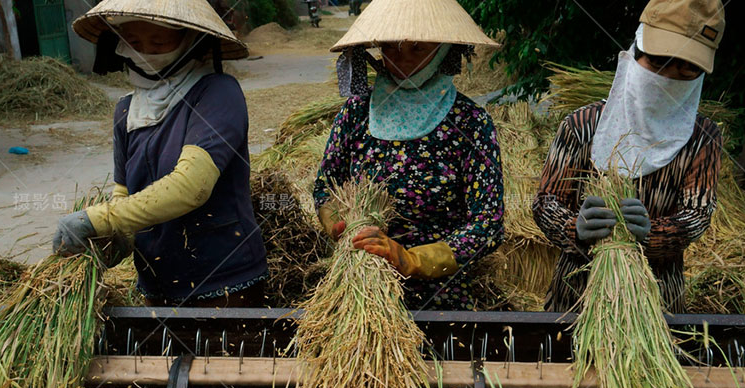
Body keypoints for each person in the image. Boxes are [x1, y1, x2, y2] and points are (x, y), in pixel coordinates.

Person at [54, 0, 267, 308]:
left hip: (224, 282)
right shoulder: (126, 110)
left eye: (158, 42)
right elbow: (124, 196)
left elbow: (191, 187)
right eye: (134, 42)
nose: (144, 53)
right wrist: (108, 243)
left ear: (190, 40)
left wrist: (98, 219)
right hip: (157, 285)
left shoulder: (218, 93)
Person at [533, 0, 725, 313]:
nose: (669, 77)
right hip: (577, 299)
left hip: (656, 304)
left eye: (686, 67)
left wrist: (655, 233)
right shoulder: (582, 126)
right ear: (636, 50)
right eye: (660, 60)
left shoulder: (702, 138)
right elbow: (545, 202)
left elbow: (697, 214)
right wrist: (574, 228)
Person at [314, 0, 505, 311]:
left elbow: (488, 222)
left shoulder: (470, 123)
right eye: (390, 47)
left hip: (440, 296)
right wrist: (339, 223)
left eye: (417, 48)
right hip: (361, 290)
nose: (400, 59)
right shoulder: (357, 112)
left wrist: (412, 259)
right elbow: (326, 185)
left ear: (444, 48)